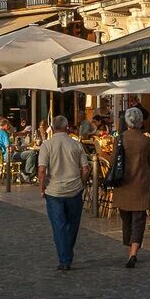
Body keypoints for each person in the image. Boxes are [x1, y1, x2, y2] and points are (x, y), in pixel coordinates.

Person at [38, 115, 91, 271]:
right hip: (74, 189)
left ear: (52, 128)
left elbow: (42, 170)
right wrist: (81, 183)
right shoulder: (76, 145)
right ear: (67, 127)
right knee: (73, 224)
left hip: (54, 191)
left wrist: (42, 187)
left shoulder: (47, 145)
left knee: (59, 226)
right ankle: (67, 253)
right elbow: (86, 168)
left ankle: (64, 258)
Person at [116, 107, 150, 268]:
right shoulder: (146, 141)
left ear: (127, 122)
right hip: (140, 183)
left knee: (126, 219)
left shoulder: (119, 139)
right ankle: (133, 252)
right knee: (139, 220)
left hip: (123, 184)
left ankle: (130, 251)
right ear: (141, 122)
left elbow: (114, 162)